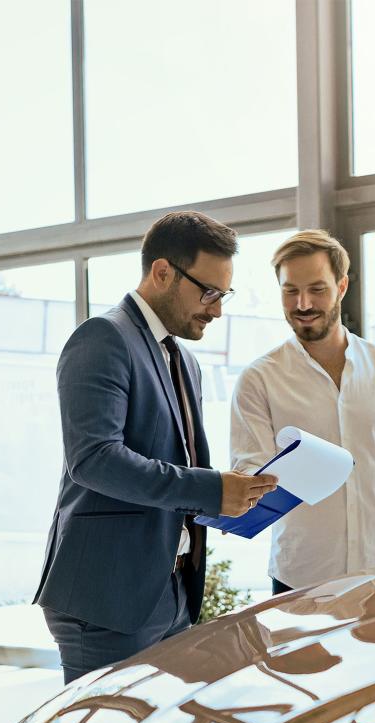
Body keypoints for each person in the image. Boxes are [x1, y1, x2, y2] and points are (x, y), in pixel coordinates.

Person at [34, 210, 278, 684]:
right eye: (209, 292)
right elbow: (94, 459)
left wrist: (230, 500)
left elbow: (173, 469)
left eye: (223, 295)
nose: (217, 309)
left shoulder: (184, 360)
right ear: (162, 272)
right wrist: (209, 490)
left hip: (171, 591)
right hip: (108, 597)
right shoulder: (102, 338)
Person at [230, 230, 375, 594]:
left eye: (317, 289)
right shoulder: (258, 379)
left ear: (342, 286)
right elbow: (249, 473)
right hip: (300, 582)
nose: (302, 304)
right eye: (290, 291)